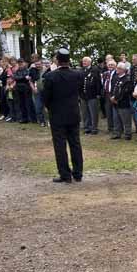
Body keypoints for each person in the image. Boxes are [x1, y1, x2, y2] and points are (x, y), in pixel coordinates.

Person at [40, 49, 84, 182]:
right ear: (69, 60)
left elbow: (45, 97)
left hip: (57, 114)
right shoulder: (78, 75)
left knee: (60, 145)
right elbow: (80, 91)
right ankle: (78, 173)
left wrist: (49, 107)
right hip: (73, 112)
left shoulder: (50, 76)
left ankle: (65, 174)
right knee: (75, 143)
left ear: (57, 60)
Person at [109, 61, 134, 140]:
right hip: (115, 102)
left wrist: (116, 99)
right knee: (116, 119)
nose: (117, 69)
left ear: (123, 70)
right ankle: (117, 133)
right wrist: (112, 97)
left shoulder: (127, 79)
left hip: (123, 102)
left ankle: (127, 134)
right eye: (117, 68)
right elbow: (113, 88)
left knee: (126, 119)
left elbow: (125, 92)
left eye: (119, 68)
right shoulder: (116, 77)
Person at [81, 56, 102, 134]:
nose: (84, 62)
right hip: (83, 95)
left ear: (90, 62)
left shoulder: (95, 70)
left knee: (93, 112)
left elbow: (98, 82)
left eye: (85, 61)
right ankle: (87, 127)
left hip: (93, 95)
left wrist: (98, 93)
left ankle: (94, 128)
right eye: (83, 61)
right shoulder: (82, 70)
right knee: (85, 112)